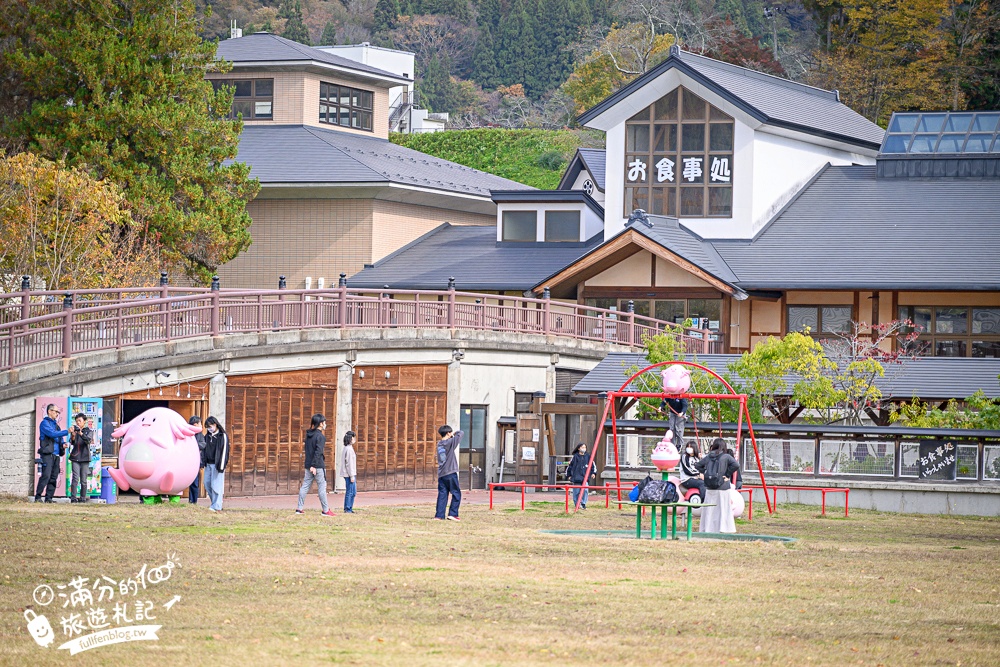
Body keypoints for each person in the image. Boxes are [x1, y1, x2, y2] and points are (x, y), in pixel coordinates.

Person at [695, 438, 740, 533]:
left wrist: (705, 473)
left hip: (710, 487)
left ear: (714, 446)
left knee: (709, 510)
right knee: (723, 509)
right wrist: (727, 475)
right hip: (723, 487)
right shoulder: (726, 457)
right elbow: (736, 465)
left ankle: (707, 528)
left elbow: (698, 465)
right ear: (724, 446)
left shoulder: (709, 456)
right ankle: (724, 528)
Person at [296, 414, 335, 516]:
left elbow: (308, 451)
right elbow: (318, 452)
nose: (325, 424)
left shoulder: (308, 435)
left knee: (305, 486)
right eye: (324, 422)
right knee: (322, 487)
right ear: (321, 424)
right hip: (317, 466)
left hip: (308, 465)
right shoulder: (320, 436)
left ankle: (299, 508)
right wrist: (314, 465)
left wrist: (310, 465)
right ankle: (326, 510)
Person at [35, 404, 68, 503]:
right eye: (56, 411)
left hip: (56, 455)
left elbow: (59, 438)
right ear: (49, 411)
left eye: (58, 412)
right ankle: (38, 496)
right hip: (47, 454)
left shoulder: (56, 425)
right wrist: (67, 431)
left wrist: (63, 444)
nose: (57, 414)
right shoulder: (44, 423)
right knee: (46, 475)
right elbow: (52, 434)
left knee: (54, 477)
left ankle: (49, 498)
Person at [434, 425, 463, 521]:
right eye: (450, 432)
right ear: (448, 433)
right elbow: (461, 433)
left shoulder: (439, 444)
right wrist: (454, 434)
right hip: (451, 472)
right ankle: (453, 514)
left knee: (442, 494)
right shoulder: (450, 442)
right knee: (456, 493)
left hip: (442, 473)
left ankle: (439, 515)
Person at [202, 416, 229, 512]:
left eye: (210, 426)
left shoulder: (222, 436)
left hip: (217, 465)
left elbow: (224, 452)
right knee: (207, 483)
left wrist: (221, 466)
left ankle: (217, 506)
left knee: (216, 485)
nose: (209, 429)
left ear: (215, 424)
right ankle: (215, 503)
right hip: (208, 464)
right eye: (207, 427)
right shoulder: (207, 437)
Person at [68, 413, 93, 503]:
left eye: (80, 421)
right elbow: (72, 443)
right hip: (75, 457)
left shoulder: (88, 431)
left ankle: (83, 498)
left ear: (84, 422)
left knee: (83, 479)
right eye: (77, 421)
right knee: (75, 478)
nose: (78, 423)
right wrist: (73, 435)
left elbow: (88, 440)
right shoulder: (75, 430)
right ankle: (73, 498)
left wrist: (80, 433)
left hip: (85, 458)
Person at [566, 443, 596, 509]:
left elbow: (592, 465)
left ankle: (583, 503)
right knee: (576, 491)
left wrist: (593, 473)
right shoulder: (575, 457)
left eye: (585, 447)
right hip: (577, 477)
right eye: (582, 447)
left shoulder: (588, 456)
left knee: (585, 490)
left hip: (585, 477)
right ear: (579, 448)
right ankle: (577, 503)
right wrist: (569, 475)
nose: (584, 448)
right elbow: (570, 466)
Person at [187, 415, 206, 504]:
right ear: (195, 425)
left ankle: (193, 501)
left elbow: (203, 445)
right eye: (200, 424)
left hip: (196, 463)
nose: (201, 426)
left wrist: (194, 445)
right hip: (186, 462)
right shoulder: (186, 433)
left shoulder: (200, 435)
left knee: (194, 483)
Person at [341, 431, 357, 513]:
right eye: (353, 437)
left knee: (352, 492)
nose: (354, 439)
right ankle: (347, 508)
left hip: (349, 473)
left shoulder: (347, 448)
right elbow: (349, 464)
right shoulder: (349, 449)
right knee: (350, 492)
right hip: (349, 474)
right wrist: (352, 476)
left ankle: (349, 507)